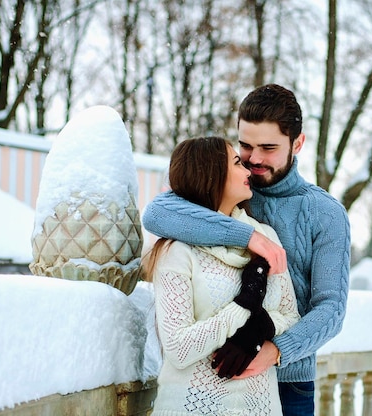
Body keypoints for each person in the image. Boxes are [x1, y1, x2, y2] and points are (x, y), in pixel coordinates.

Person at [142, 84, 351, 415]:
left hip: (288, 378)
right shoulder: (228, 186)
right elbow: (156, 214)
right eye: (246, 146)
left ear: (297, 143)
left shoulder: (325, 213)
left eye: (268, 148)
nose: (254, 159)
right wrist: (249, 237)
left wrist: (275, 348)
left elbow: (331, 310)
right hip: (211, 375)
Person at [144, 136, 299, 415]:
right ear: (210, 173)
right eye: (238, 163)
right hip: (193, 406)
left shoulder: (265, 238)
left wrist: (258, 329)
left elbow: (291, 315)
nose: (248, 171)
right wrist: (244, 305)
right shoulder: (178, 251)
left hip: (260, 407)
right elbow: (179, 349)